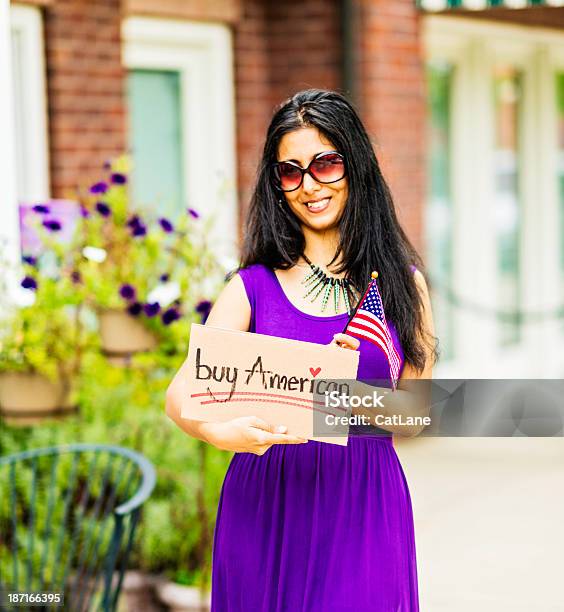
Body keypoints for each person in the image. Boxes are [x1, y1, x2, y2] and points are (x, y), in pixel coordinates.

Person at [165, 89, 437, 611]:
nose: (309, 186)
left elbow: (414, 416)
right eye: (290, 172)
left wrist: (349, 395)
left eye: (325, 164)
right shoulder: (250, 289)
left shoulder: (404, 287)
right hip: (265, 498)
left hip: (362, 501)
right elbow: (181, 395)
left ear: (355, 166)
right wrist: (221, 432)